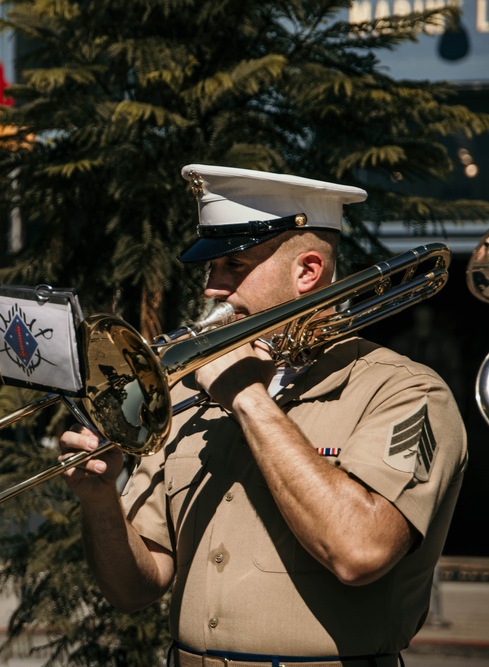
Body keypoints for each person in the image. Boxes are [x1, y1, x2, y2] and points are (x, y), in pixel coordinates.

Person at [59, 164, 467, 667]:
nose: (212, 288)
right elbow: (135, 589)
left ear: (307, 272)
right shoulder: (190, 389)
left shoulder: (402, 390)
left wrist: (250, 400)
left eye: (233, 266)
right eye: (210, 269)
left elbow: (360, 553)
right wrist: (100, 502)